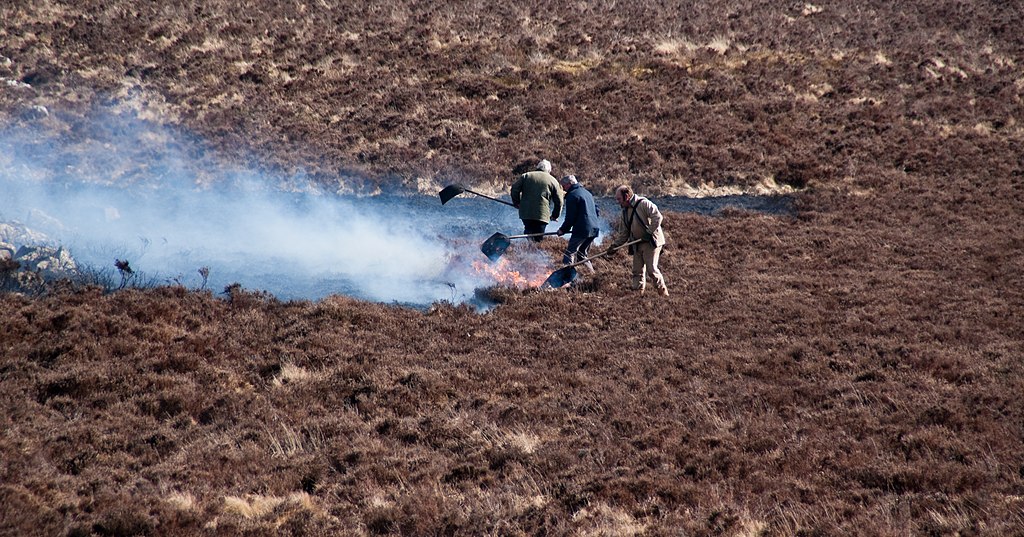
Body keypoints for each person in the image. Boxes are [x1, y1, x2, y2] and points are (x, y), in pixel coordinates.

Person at [610, 184, 669, 296]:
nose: (618, 202)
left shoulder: (643, 203)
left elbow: (657, 217)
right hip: (637, 243)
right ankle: (637, 296)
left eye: (619, 199)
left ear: (626, 196)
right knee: (637, 271)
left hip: (651, 242)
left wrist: (648, 232)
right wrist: (614, 246)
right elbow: (624, 233)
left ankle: (663, 294)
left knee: (652, 270)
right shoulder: (624, 212)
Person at [510, 159, 563, 242]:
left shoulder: (526, 176)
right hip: (542, 215)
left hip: (526, 213)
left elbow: (514, 190)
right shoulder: (553, 181)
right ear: (549, 170)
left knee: (528, 232)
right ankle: (533, 251)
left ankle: (525, 250)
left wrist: (517, 203)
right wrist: (555, 215)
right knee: (538, 238)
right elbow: (559, 202)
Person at [556, 175, 600, 272]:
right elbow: (597, 210)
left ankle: (566, 277)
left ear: (569, 184)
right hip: (594, 229)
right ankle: (592, 277)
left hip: (582, 230)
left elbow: (570, 218)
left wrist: (563, 230)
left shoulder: (572, 195)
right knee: (582, 254)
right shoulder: (587, 193)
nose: (563, 188)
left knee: (569, 253)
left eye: (564, 186)